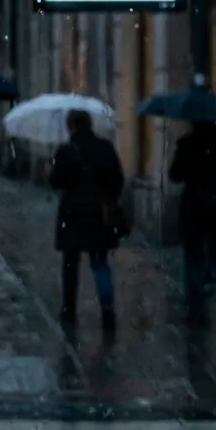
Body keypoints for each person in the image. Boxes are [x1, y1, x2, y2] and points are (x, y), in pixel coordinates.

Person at [50, 109, 124, 331]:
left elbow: (55, 182)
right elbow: (118, 180)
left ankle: (68, 308)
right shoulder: (105, 147)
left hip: (72, 214)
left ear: (71, 126)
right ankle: (107, 309)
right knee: (100, 262)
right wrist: (107, 199)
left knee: (70, 263)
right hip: (98, 215)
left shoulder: (65, 151)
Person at [168, 121, 216, 324]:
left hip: (194, 208)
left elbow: (174, 175)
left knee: (193, 257)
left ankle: (196, 309)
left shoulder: (187, 143)